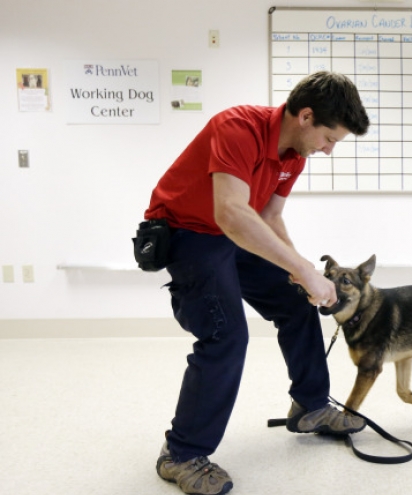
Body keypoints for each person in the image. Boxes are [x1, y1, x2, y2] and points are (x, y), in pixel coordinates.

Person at [144, 71, 370, 495]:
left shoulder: (295, 153)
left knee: (296, 301)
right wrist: (306, 270)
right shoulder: (238, 127)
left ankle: (311, 407)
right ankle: (181, 454)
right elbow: (230, 212)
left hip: (234, 230)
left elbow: (268, 217)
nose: (329, 150)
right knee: (225, 335)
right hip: (190, 231)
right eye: (330, 139)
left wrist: (304, 275)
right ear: (305, 116)